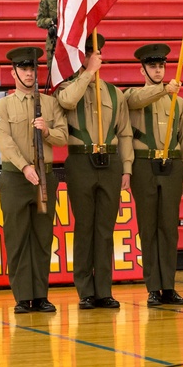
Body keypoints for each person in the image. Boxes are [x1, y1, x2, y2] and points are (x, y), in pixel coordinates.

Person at [54, 34, 133, 310]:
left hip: (110, 163)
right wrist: (87, 73)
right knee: (85, 228)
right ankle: (85, 290)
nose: (93, 56)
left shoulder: (114, 93)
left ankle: (104, 290)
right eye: (88, 52)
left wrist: (126, 168)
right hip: (81, 162)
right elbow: (65, 102)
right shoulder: (67, 87)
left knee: (105, 229)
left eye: (96, 52)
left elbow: (124, 133)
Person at [0, 47, 68, 314]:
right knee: (18, 237)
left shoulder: (50, 103)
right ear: (13, 73)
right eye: (23, 69)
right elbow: (5, 142)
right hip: (15, 178)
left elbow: (63, 136)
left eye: (32, 69)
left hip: (45, 176)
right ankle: (24, 297)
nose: (29, 73)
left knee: (43, 237)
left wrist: (46, 130)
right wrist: (24, 167)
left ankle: (41, 295)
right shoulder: (2, 106)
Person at [124, 43, 183, 307]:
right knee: (149, 229)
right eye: (152, 66)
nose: (157, 69)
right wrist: (164, 89)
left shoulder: (178, 102)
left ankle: (169, 287)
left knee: (169, 230)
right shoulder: (133, 96)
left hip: (172, 168)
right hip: (144, 166)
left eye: (161, 66)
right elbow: (136, 100)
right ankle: (153, 286)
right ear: (142, 70)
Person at [36, 0, 59, 66]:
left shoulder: (75, 0)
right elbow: (40, 21)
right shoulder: (46, 0)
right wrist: (53, 21)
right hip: (54, 43)